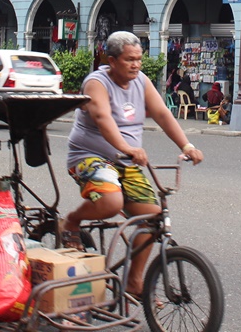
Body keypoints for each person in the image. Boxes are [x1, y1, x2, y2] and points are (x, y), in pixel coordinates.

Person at [62, 31, 204, 299]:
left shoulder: (141, 81)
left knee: (152, 216)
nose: (136, 65)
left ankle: (134, 280)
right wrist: (126, 147)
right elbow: (103, 118)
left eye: (139, 59)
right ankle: (72, 221)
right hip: (89, 156)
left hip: (126, 161)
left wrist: (187, 146)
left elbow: (162, 113)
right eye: (129, 60)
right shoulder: (96, 83)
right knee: (111, 203)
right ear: (112, 60)